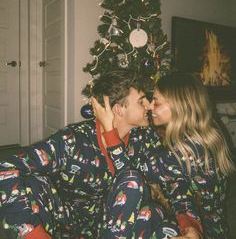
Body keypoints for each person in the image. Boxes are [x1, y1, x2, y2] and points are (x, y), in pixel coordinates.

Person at [0, 69, 195, 239]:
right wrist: (35, 234)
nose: (149, 105)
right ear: (118, 109)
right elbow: (6, 168)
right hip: (68, 222)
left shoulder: (145, 138)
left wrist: (190, 224)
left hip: (117, 223)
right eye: (141, 101)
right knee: (32, 184)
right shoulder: (73, 140)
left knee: (162, 222)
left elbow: (172, 178)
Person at [149, 72, 235, 239]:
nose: (150, 106)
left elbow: (142, 168)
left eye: (156, 102)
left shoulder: (183, 150)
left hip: (200, 230)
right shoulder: (207, 132)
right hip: (218, 224)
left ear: (178, 106)